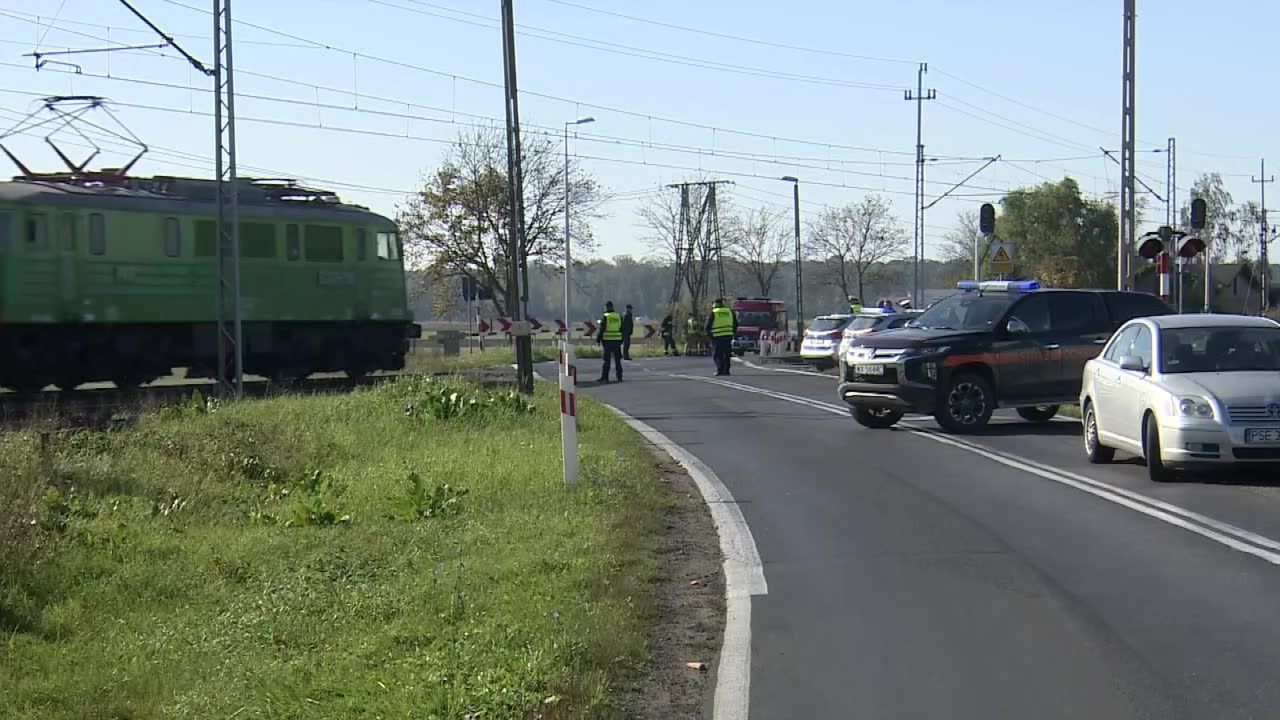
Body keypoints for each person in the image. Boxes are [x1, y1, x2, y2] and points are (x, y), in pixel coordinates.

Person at [705, 297, 737, 376]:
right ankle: (726, 370)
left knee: (717, 354)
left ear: (716, 304)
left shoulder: (714, 312)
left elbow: (707, 326)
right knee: (727, 354)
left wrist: (710, 336)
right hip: (728, 336)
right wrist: (732, 333)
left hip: (717, 337)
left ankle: (720, 369)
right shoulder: (730, 311)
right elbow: (736, 324)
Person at [597, 301, 624, 382]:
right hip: (617, 341)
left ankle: (605, 377)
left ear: (606, 307)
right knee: (617, 360)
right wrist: (621, 339)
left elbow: (602, 329)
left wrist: (598, 339)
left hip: (607, 341)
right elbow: (622, 329)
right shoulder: (618, 316)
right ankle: (619, 377)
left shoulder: (605, 316)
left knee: (607, 360)